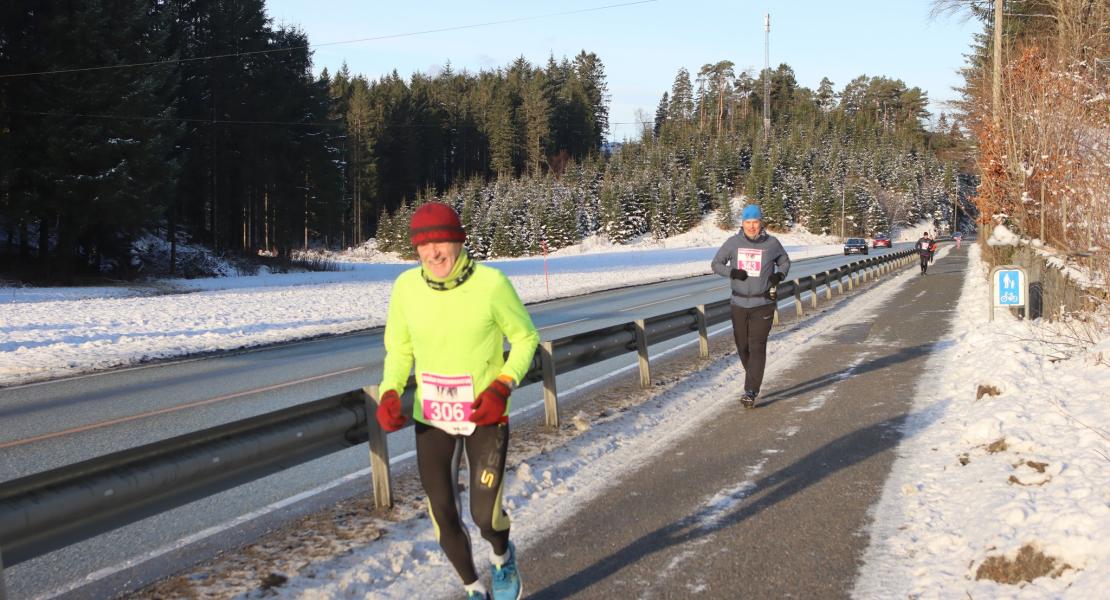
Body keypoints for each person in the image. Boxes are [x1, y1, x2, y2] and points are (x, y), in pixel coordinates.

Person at [376, 201, 539, 600]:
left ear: (459, 241)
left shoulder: (491, 283)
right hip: (433, 417)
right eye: (423, 246)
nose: (433, 253)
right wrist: (390, 391)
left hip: (485, 412)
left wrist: (502, 386)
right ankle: (471, 588)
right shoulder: (406, 288)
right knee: (442, 515)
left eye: (441, 243)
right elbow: (399, 351)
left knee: (485, 515)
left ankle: (502, 557)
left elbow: (525, 339)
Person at [711, 203, 790, 408]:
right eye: (748, 222)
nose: (752, 226)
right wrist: (732, 272)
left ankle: (751, 390)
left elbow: (785, 262)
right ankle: (754, 375)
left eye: (755, 222)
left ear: (760, 223)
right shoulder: (733, 243)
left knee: (757, 346)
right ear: (743, 223)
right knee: (743, 346)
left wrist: (779, 274)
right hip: (738, 303)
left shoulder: (772, 244)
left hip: (763, 303)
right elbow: (716, 264)